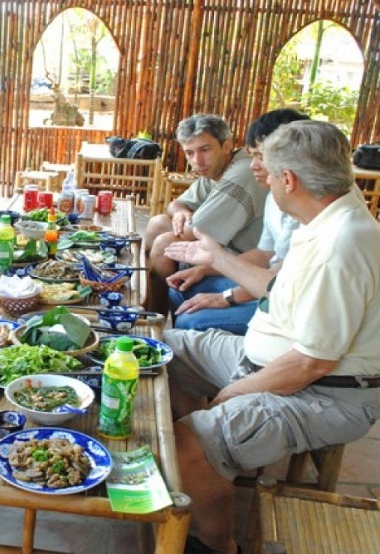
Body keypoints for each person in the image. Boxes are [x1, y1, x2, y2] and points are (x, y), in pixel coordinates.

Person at [161, 120, 380, 554]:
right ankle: (211, 469)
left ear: (289, 179)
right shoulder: (323, 216)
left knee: (192, 441)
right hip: (270, 358)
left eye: (266, 167)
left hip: (326, 393)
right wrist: (217, 261)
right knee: (167, 350)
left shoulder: (340, 246)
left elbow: (311, 364)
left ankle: (218, 542)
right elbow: (279, 288)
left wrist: (234, 393)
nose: (259, 175)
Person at [166, 109, 310, 334]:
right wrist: (203, 270)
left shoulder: (313, 211)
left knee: (190, 320)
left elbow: (281, 286)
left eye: (260, 156)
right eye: (252, 155)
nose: (252, 165)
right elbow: (264, 255)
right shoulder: (274, 193)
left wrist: (226, 298)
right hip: (270, 285)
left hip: (291, 309)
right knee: (180, 292)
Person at [144, 114, 267, 316]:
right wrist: (181, 211)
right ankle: (148, 308)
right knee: (158, 223)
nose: (197, 161)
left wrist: (183, 220)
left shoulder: (241, 173)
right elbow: (176, 204)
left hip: (245, 257)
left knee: (164, 244)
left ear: (226, 146)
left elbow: (195, 232)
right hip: (226, 244)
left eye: (205, 150)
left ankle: (154, 317)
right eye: (190, 153)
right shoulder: (215, 170)